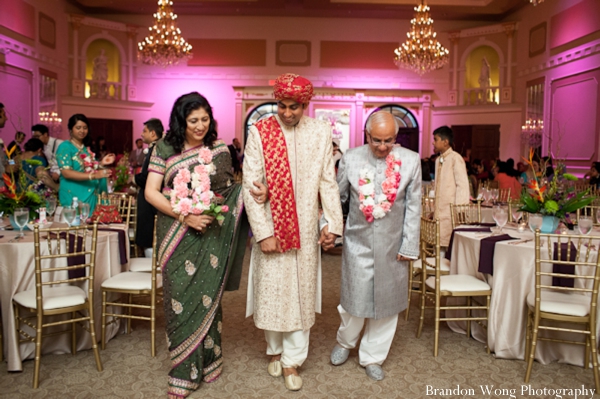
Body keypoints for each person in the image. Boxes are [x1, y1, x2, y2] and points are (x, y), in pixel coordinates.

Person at [243, 73, 343, 391]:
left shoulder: (320, 131)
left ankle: (292, 360)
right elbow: (251, 185)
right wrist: (263, 232)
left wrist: (331, 224)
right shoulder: (260, 132)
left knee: (300, 293)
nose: (287, 113)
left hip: (304, 226)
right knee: (272, 292)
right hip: (272, 224)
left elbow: (328, 180)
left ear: (306, 104)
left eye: (294, 107)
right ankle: (274, 350)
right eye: (281, 106)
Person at [144, 92, 248, 398]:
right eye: (193, 121)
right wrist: (185, 216)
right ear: (180, 120)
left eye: (205, 119)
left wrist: (254, 193)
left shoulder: (218, 149)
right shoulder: (164, 147)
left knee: (207, 295)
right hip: (176, 231)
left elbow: (228, 192)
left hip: (209, 232)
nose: (200, 126)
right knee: (180, 296)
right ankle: (183, 372)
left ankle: (210, 361)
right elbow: (152, 192)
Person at [330, 111, 421, 381]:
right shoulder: (351, 157)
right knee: (353, 299)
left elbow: (414, 208)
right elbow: (338, 198)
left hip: (393, 245)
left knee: (387, 303)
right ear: (366, 134)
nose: (382, 146)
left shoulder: (411, 161)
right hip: (357, 242)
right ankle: (345, 342)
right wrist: (329, 226)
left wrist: (409, 245)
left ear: (397, 137)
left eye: (389, 140)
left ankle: (373, 356)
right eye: (376, 140)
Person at [56, 114, 115, 212]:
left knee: (90, 225)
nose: (82, 131)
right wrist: (94, 176)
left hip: (89, 191)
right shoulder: (65, 147)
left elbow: (87, 168)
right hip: (73, 193)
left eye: (85, 128)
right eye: (78, 128)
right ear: (71, 129)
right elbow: (66, 172)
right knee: (75, 223)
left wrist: (101, 163)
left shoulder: (85, 149)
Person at [432, 126, 470, 248]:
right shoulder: (439, 159)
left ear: (445, 141)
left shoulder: (455, 158)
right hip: (439, 208)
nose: (433, 142)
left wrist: (460, 210)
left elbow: (462, 185)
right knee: (438, 242)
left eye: (436, 139)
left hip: (451, 210)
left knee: (450, 243)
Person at [134, 118, 163, 256]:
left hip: (150, 199)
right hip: (149, 197)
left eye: (144, 131)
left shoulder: (156, 150)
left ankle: (150, 269)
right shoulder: (154, 149)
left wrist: (133, 179)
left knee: (148, 233)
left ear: (152, 133)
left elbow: (147, 177)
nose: (141, 134)